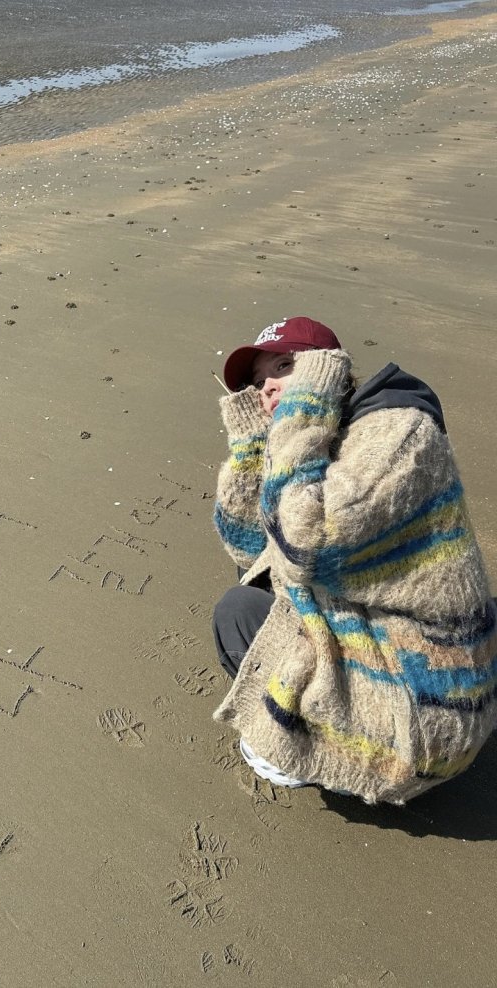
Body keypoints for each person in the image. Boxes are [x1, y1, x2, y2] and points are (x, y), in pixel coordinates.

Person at [211, 316, 497, 803]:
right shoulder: (318, 437)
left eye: (284, 366)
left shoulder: (398, 432)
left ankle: (329, 747)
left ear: (327, 370)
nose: (269, 389)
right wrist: (251, 444)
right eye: (259, 384)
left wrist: (299, 416)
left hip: (425, 725)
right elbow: (248, 547)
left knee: (237, 614)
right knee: (254, 584)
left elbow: (304, 542)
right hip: (397, 648)